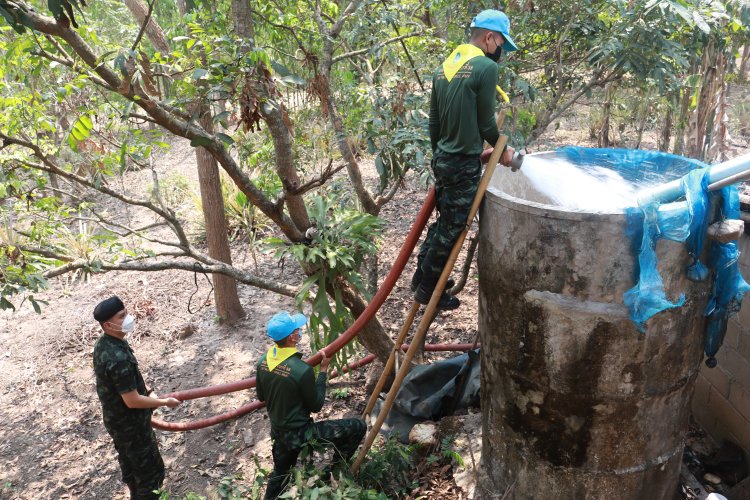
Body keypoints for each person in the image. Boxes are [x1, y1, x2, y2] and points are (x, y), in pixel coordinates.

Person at [413, 9, 519, 310]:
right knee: (454, 225)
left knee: (444, 219)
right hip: (462, 161)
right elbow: (487, 124)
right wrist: (504, 151)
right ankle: (428, 288)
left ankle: (422, 274)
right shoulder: (485, 68)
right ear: (489, 38)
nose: (500, 51)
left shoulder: (444, 67)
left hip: (444, 158)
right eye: (500, 44)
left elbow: (433, 122)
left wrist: (441, 154)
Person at [256, 311, 366, 499]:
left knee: (280, 474)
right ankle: (333, 472)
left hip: (279, 434)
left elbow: (261, 396)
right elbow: (316, 405)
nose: (299, 332)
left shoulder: (263, 362)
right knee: (358, 426)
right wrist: (323, 372)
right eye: (297, 330)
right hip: (302, 434)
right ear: (291, 337)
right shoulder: (302, 370)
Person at [92, 296, 181, 499]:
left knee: (132, 470)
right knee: (151, 475)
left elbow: (129, 382)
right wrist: (164, 402)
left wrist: (149, 392)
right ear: (107, 324)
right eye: (122, 316)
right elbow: (131, 400)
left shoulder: (105, 344)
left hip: (118, 423)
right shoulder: (117, 357)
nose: (128, 318)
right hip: (131, 426)